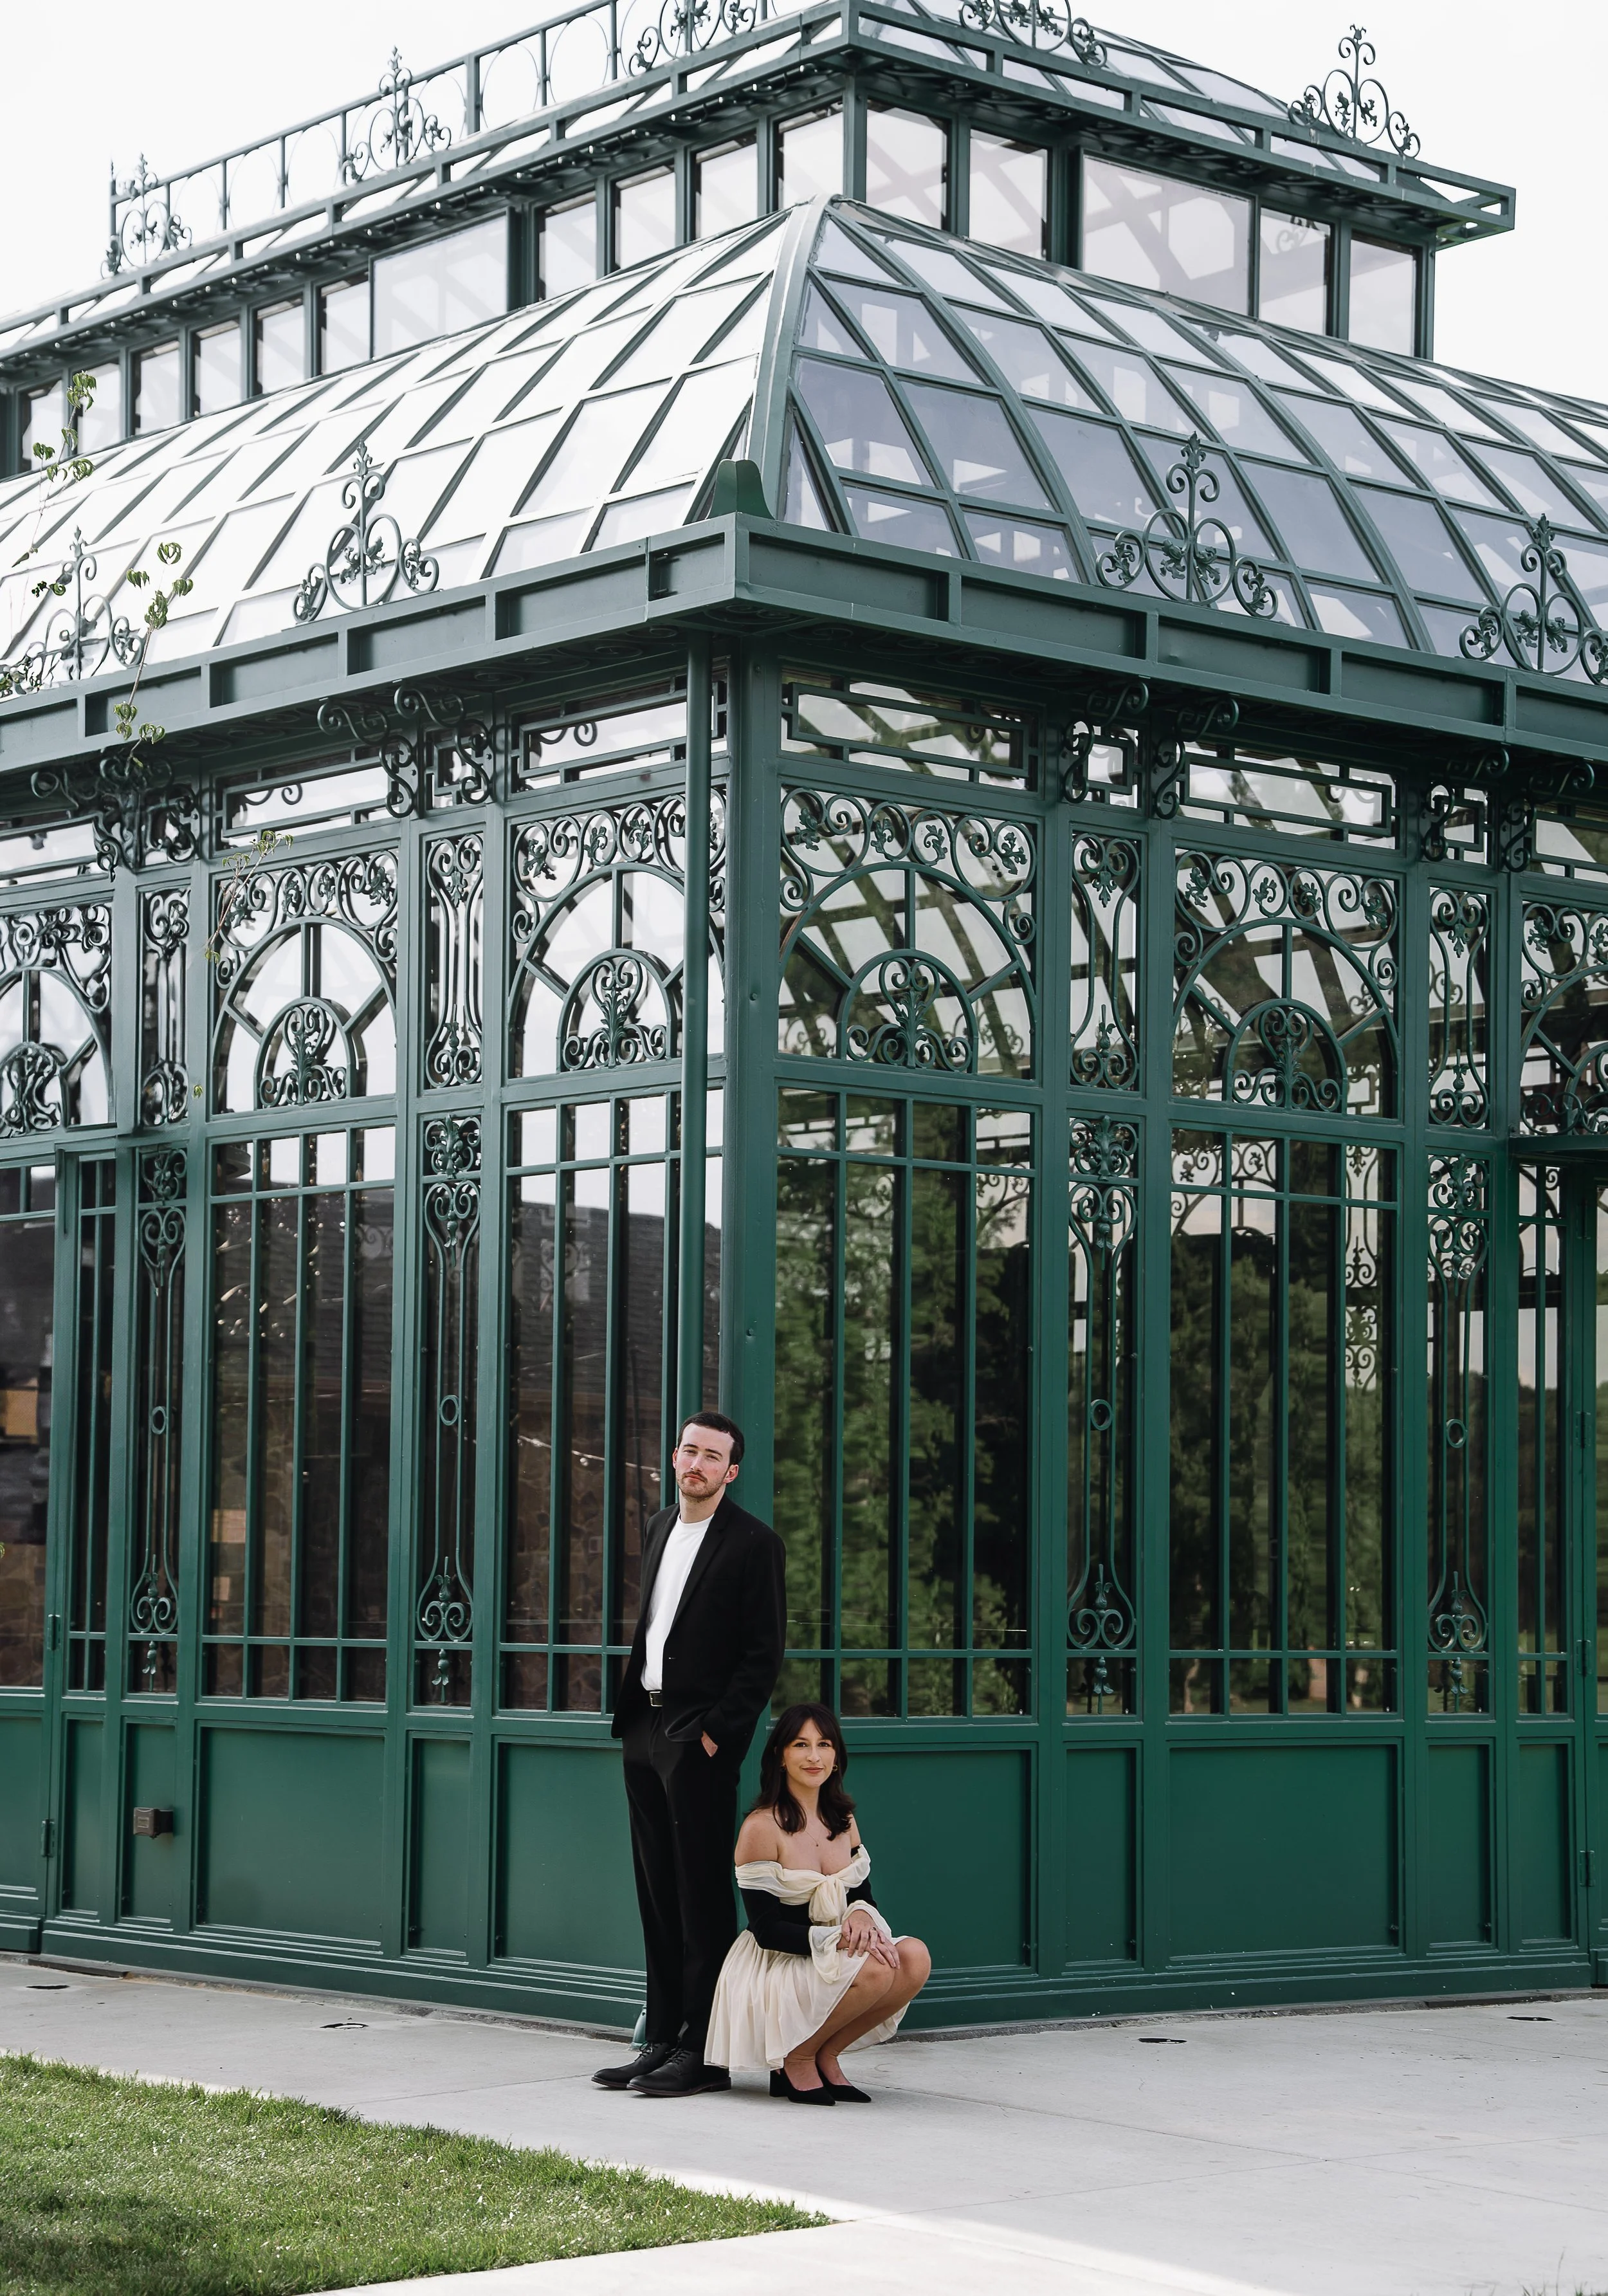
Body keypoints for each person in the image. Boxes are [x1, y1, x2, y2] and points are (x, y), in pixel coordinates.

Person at [593, 1412, 787, 2100]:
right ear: (674, 1457)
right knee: (656, 1891)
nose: (696, 1463)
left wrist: (716, 1732)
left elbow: (763, 1655)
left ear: (731, 1471)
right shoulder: (658, 1526)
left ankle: (704, 2051)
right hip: (644, 1725)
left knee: (700, 1894)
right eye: (689, 1450)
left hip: (696, 1738)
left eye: (712, 1456)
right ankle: (663, 2037)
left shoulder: (754, 1543)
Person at [704, 1702, 931, 2102]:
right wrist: (837, 1940)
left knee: (914, 1957)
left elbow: (860, 1893)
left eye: (824, 1745)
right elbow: (766, 1931)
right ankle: (796, 2057)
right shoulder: (761, 1827)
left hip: (830, 1951)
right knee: (876, 1970)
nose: (814, 1757)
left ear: (836, 1757)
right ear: (780, 1757)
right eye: (801, 1745)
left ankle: (826, 2053)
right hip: (778, 1959)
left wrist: (861, 1914)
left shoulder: (842, 1819)